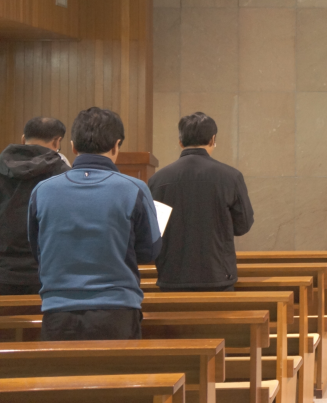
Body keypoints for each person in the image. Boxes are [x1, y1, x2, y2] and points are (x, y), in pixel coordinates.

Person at [28, 107, 162, 341]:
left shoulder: (42, 191)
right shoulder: (134, 189)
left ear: (72, 146)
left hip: (58, 311)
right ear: (116, 145)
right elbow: (149, 251)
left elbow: (37, 249)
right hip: (117, 310)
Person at [148, 112, 254, 292]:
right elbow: (243, 225)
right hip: (217, 276)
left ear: (180, 142)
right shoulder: (231, 177)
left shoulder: (157, 180)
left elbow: (153, 230)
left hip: (171, 277)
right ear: (213, 139)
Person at [0, 118, 71, 295]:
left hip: (4, 271)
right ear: (57, 141)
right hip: (47, 273)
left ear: (23, 139)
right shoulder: (63, 174)